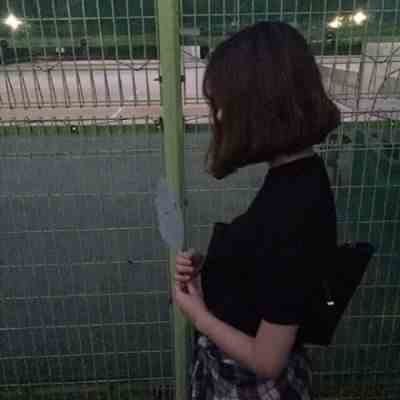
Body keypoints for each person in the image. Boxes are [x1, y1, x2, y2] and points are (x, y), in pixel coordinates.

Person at [173, 21, 339, 400]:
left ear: (258, 103)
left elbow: (267, 359)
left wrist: (197, 314)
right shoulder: (300, 176)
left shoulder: (293, 207)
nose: (218, 117)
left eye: (222, 104)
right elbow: (273, 270)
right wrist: (217, 269)